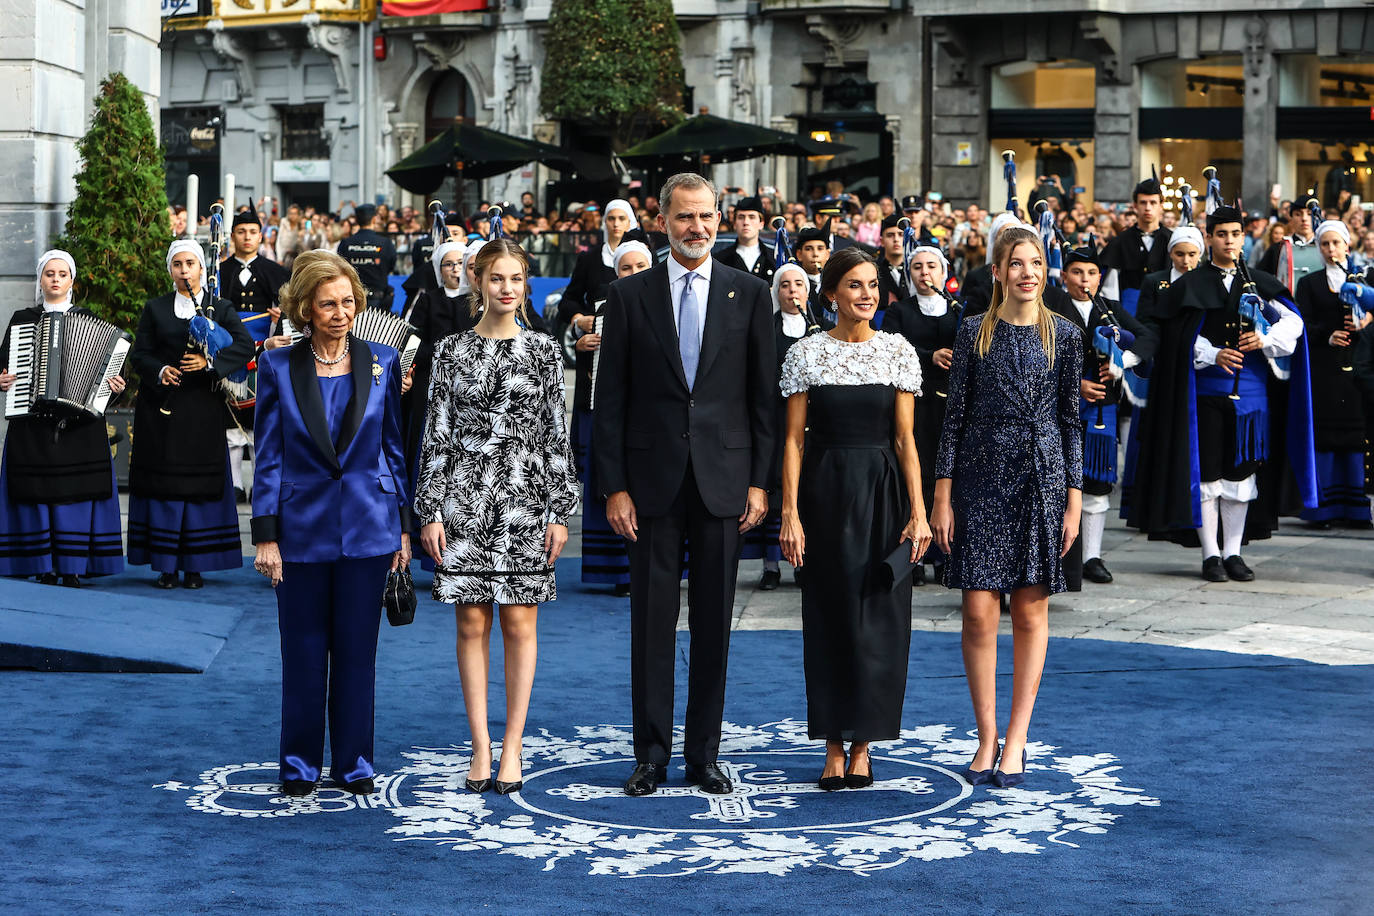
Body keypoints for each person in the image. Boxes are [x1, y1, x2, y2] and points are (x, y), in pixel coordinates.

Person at [593, 172, 775, 798]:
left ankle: (704, 753)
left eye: (705, 217)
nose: (695, 228)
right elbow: (608, 402)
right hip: (649, 485)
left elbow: (762, 400)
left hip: (725, 481)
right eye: (683, 217)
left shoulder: (749, 294)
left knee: (713, 624)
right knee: (651, 621)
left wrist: (759, 482)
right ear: (662, 221)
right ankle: (650, 754)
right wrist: (613, 487)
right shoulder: (627, 296)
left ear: (719, 220)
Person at [415, 239, 579, 795]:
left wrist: (560, 510)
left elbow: (558, 436)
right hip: (463, 496)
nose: (507, 288)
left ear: (525, 283)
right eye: (496, 278)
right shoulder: (450, 352)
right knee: (471, 621)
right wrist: (430, 508)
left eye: (516, 278)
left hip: (526, 499)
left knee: (518, 621)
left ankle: (513, 747)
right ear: (476, 282)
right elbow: (435, 435)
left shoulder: (544, 352)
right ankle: (480, 746)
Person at [250, 249, 412, 798]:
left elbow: (393, 448)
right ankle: (298, 765)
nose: (340, 312)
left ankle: (355, 763)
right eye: (328, 304)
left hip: (369, 526)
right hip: (298, 530)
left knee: (357, 655)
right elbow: (267, 454)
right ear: (305, 309)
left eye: (348, 302)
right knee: (302, 653)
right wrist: (266, 535)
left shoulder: (382, 361)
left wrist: (403, 528)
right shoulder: (276, 367)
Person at [930, 226, 1083, 789]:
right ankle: (986, 735)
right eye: (1016, 263)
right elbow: (953, 420)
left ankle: (1018, 738)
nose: (1027, 272)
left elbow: (1072, 422)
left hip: (1041, 481)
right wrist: (941, 497)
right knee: (977, 612)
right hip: (979, 480)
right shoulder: (973, 332)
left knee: (1029, 612)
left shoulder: (1065, 336)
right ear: (996, 272)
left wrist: (1073, 501)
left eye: (1036, 262)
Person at [778, 247, 930, 790]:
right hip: (823, 493)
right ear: (831, 294)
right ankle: (833, 747)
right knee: (828, 619)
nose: (866, 295)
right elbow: (793, 442)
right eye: (853, 286)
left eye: (872, 285)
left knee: (879, 621)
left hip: (884, 495)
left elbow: (906, 440)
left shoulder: (898, 353)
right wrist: (790, 513)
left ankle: (864, 743)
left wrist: (920, 512)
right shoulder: (806, 355)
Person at [1126, 205, 1316, 582]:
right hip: (1204, 393)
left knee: (1240, 474)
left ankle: (1233, 551)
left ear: (1243, 237)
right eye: (1221, 234)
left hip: (1252, 399)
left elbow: (1294, 323)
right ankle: (1210, 554)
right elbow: (1175, 336)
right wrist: (1211, 352)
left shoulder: (1260, 281)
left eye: (1235, 234)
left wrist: (1265, 338)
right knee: (1208, 473)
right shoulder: (1189, 285)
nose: (1229, 241)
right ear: (1209, 237)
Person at [127, 240, 254, 588]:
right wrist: (160, 370)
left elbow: (244, 346)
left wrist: (210, 363)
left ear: (202, 269)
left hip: (202, 410)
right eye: (178, 265)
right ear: (170, 270)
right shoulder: (155, 309)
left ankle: (195, 566)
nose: (184, 271)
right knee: (166, 486)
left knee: (198, 488)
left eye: (190, 264)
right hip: (162, 410)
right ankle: (166, 566)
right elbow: (140, 353)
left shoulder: (220, 307)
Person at [0, 250, 126, 586]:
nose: (55, 280)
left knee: (77, 493)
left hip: (79, 427)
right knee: (36, 491)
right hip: (32, 423)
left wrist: (114, 387)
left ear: (72, 281)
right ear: (40, 280)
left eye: (62, 274)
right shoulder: (22, 320)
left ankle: (71, 566)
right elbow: (3, 366)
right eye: (49, 274)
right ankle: (42, 564)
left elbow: (109, 384)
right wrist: (2, 379)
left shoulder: (91, 320)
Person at [1053, 243, 1156, 586]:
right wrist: (1074, 384)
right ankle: (1055, 554)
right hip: (1056, 408)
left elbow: (1146, 338)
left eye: (1092, 273)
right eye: (1078, 272)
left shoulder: (1109, 309)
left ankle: (1091, 556)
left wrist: (1120, 364)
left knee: (1096, 482)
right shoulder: (1050, 307)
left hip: (1102, 410)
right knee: (1057, 482)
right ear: (1064, 275)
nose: (1085, 279)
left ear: (1100, 277)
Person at [571, 235, 655, 597]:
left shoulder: (665, 304)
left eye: (640, 267)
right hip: (614, 410)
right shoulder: (606, 309)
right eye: (626, 268)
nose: (633, 273)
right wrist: (581, 346)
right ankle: (616, 571)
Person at [743, 261, 832, 591]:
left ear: (808, 292)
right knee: (774, 489)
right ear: (776, 292)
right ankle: (770, 564)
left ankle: (801, 560)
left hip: (810, 421)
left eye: (798, 285)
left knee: (805, 490)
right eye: (785, 285)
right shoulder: (765, 327)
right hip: (774, 419)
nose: (792, 290)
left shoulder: (820, 329)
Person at [881, 245, 961, 585]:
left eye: (931, 266)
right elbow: (893, 345)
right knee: (916, 476)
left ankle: (944, 555)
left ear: (944, 272)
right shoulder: (900, 310)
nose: (924, 273)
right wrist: (930, 355)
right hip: (915, 401)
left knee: (947, 478)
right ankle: (913, 556)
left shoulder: (958, 310)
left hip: (951, 404)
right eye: (917, 267)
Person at [1296, 220, 1373, 527]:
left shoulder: (1365, 277)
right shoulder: (1310, 284)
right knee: (1325, 437)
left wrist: (1367, 320)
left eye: (1336, 243)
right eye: (1325, 244)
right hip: (1325, 367)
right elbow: (1301, 322)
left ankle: (1356, 510)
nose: (1330, 250)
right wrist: (1326, 335)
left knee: (1357, 436)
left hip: (1359, 363)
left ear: (1347, 245)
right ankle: (1323, 509)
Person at [219, 206, 292, 501]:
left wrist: (280, 317)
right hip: (230, 351)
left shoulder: (276, 272)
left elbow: (292, 315)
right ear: (232, 236)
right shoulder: (218, 272)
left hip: (267, 353)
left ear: (261, 236)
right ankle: (235, 484)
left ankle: (260, 482)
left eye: (252, 232)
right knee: (231, 418)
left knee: (260, 419)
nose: (247, 237)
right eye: (241, 232)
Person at [1100, 174, 1171, 313]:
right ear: (1135, 206)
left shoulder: (1172, 240)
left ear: (1161, 206)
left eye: (1153, 202)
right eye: (1143, 202)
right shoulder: (1120, 241)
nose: (1148, 208)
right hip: (1130, 311)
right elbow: (1104, 281)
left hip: (1164, 308)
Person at [337, 204, 397, 311]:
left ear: (356, 220)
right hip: (377, 302)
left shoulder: (346, 243)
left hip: (353, 301)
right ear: (374, 219)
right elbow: (391, 266)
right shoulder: (385, 243)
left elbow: (340, 268)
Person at [1258, 196, 1322, 293]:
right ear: (1291, 218)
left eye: (1309, 214)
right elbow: (1261, 278)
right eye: (1298, 214)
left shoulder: (1324, 247)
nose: (1304, 218)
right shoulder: (1278, 248)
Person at [714, 197, 775, 285]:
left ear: (761, 224)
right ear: (734, 224)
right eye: (741, 217)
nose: (746, 222)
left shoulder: (773, 259)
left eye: (752, 217)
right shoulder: (720, 260)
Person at [876, 215, 910, 307]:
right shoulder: (873, 271)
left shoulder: (916, 270)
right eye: (890, 235)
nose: (896, 239)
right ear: (882, 241)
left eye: (901, 235)